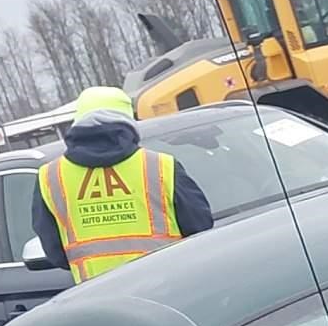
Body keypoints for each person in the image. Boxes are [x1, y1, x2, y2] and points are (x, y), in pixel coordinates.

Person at [30, 85, 213, 283]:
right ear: (129, 122)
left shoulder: (50, 176)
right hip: (169, 290)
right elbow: (200, 226)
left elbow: (54, 250)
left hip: (100, 298)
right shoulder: (161, 166)